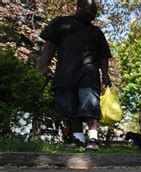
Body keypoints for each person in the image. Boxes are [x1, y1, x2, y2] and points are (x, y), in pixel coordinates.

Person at [37, 0, 112, 150]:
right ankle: (78, 139)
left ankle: (93, 139)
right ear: (79, 7)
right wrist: (43, 64)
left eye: (94, 13)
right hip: (65, 73)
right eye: (90, 11)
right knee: (68, 106)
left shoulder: (96, 32)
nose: (92, 15)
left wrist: (105, 74)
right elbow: (50, 44)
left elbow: (104, 56)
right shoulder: (61, 23)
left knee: (90, 105)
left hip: (89, 74)